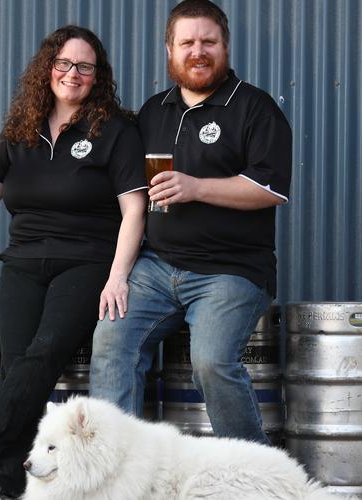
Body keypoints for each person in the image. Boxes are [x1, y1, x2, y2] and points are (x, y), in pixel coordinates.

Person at [0, 25, 147, 500]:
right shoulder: (21, 127)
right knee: (16, 369)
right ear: (47, 68)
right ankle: (3, 483)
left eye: (84, 67)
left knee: (44, 354)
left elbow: (134, 208)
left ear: (97, 77)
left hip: (85, 261)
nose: (72, 74)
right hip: (22, 260)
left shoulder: (114, 130)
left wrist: (118, 277)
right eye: (64, 64)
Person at [90, 0, 292, 445]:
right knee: (111, 344)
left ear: (225, 46)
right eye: (187, 42)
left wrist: (196, 187)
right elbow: (130, 193)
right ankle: (116, 475)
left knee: (212, 362)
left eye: (208, 41)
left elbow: (271, 189)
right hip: (156, 267)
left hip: (231, 271)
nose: (197, 51)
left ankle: (249, 475)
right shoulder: (152, 111)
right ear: (169, 50)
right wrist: (118, 274)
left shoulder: (254, 108)